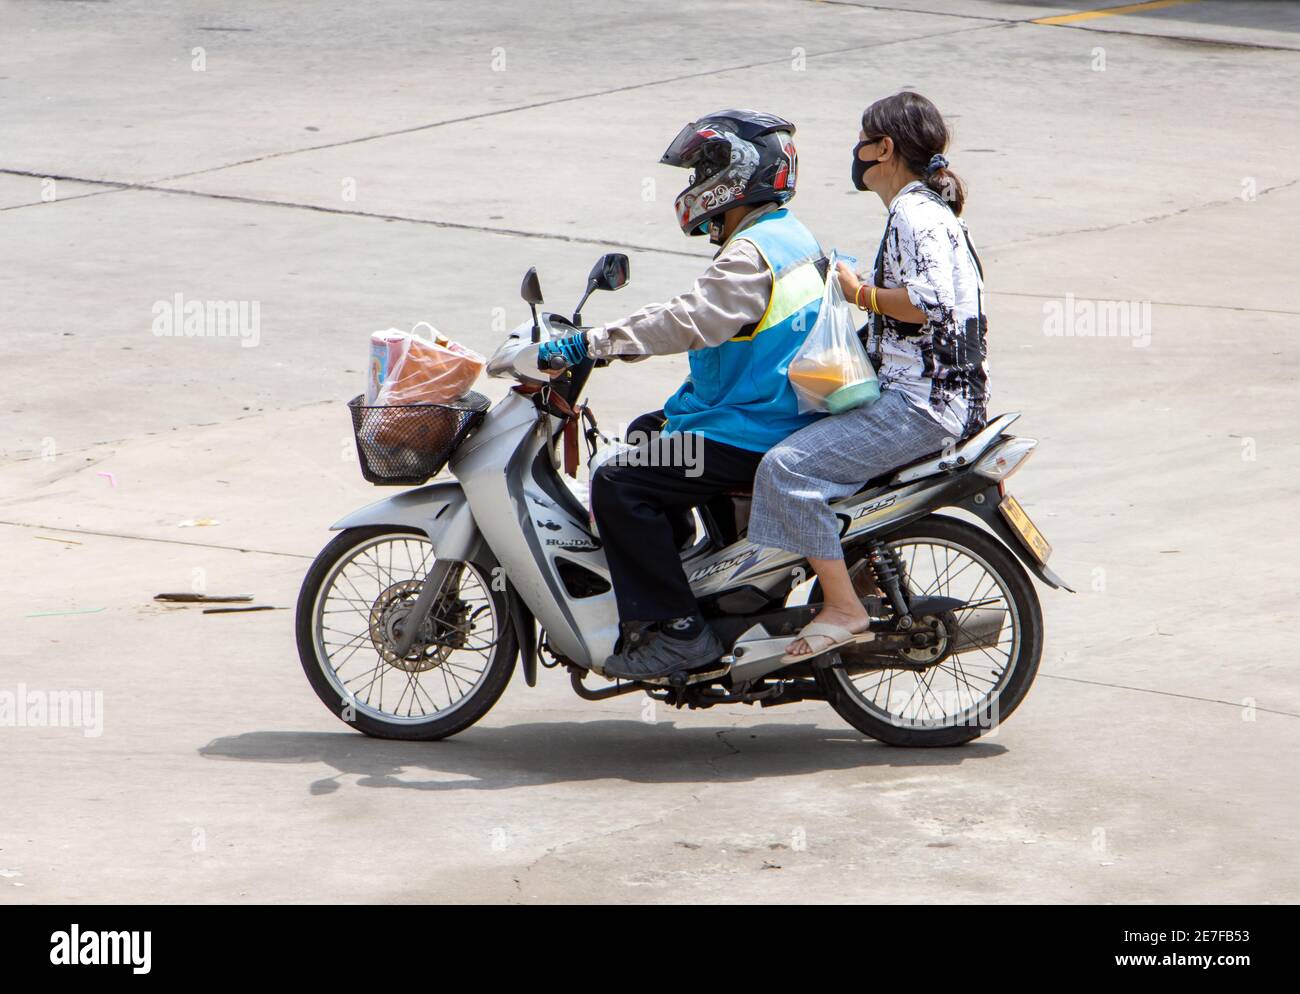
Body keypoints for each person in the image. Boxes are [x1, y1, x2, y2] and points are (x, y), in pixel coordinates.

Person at [535, 109, 826, 681]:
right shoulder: (788, 235)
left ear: (734, 175)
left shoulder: (750, 253)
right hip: (770, 409)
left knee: (618, 482)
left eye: (699, 173)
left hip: (755, 427)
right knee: (649, 430)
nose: (692, 188)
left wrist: (595, 344)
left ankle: (678, 629)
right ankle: (705, 574)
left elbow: (687, 319)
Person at [746, 91, 990, 660]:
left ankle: (842, 607)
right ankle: (858, 579)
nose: (855, 151)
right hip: (936, 395)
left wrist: (857, 291)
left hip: (923, 405)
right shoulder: (932, 212)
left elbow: (924, 303)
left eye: (863, 139)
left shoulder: (912, 211)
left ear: (883, 148)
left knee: (784, 469)